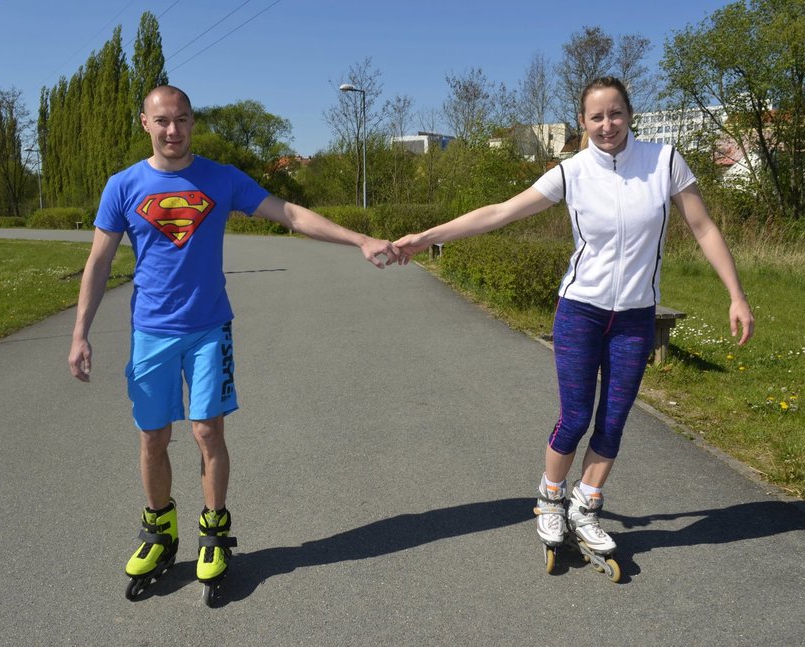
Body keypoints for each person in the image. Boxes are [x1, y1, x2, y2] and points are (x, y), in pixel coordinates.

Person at [394, 76, 754, 560]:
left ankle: (586, 506)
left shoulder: (665, 163)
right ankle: (550, 497)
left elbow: (703, 226)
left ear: (631, 114)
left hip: (634, 317)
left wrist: (736, 294)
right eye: (597, 116)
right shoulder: (573, 171)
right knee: (576, 416)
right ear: (583, 123)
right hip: (580, 312)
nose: (608, 124)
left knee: (614, 419)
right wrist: (427, 236)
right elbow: (500, 212)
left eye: (616, 113)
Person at [68, 85, 399, 598]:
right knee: (153, 437)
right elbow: (99, 261)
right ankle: (159, 529)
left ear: (192, 122)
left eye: (181, 119)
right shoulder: (123, 186)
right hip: (151, 334)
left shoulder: (221, 179)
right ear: (145, 124)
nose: (172, 130)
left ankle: (214, 531)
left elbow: (290, 213)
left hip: (208, 329)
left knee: (206, 433)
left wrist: (360, 239)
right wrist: (80, 333)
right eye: (162, 121)